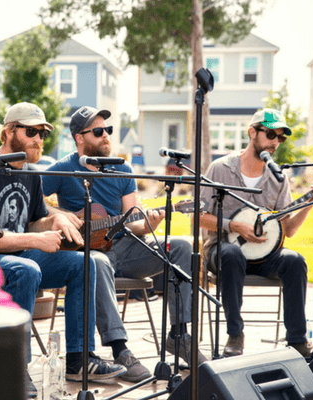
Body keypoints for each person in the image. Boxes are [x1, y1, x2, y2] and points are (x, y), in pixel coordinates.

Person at [0, 102, 126, 392]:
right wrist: (36, 240)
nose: (38, 139)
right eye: (31, 131)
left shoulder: (31, 174)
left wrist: (55, 219)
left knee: (84, 262)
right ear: (8, 132)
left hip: (21, 256)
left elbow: (33, 222)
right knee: (28, 268)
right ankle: (14, 367)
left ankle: (79, 359)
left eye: (43, 133)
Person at [42, 106, 207, 381]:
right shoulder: (62, 168)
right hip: (88, 253)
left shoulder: (123, 169)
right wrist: (63, 216)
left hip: (125, 247)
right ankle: (121, 350)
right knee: (98, 261)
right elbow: (35, 203)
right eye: (98, 131)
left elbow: (133, 222)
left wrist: (150, 224)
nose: (106, 135)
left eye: (108, 130)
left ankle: (179, 335)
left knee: (182, 247)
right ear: (79, 138)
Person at [199, 108, 313, 358]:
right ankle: (236, 334)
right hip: (221, 252)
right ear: (252, 132)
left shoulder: (278, 178)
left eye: (280, 137)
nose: (275, 142)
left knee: (295, 260)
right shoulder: (220, 168)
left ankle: (298, 341)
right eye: (270, 134)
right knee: (232, 253)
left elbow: (287, 229)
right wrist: (234, 226)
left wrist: (309, 204)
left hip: (265, 255)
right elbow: (198, 216)